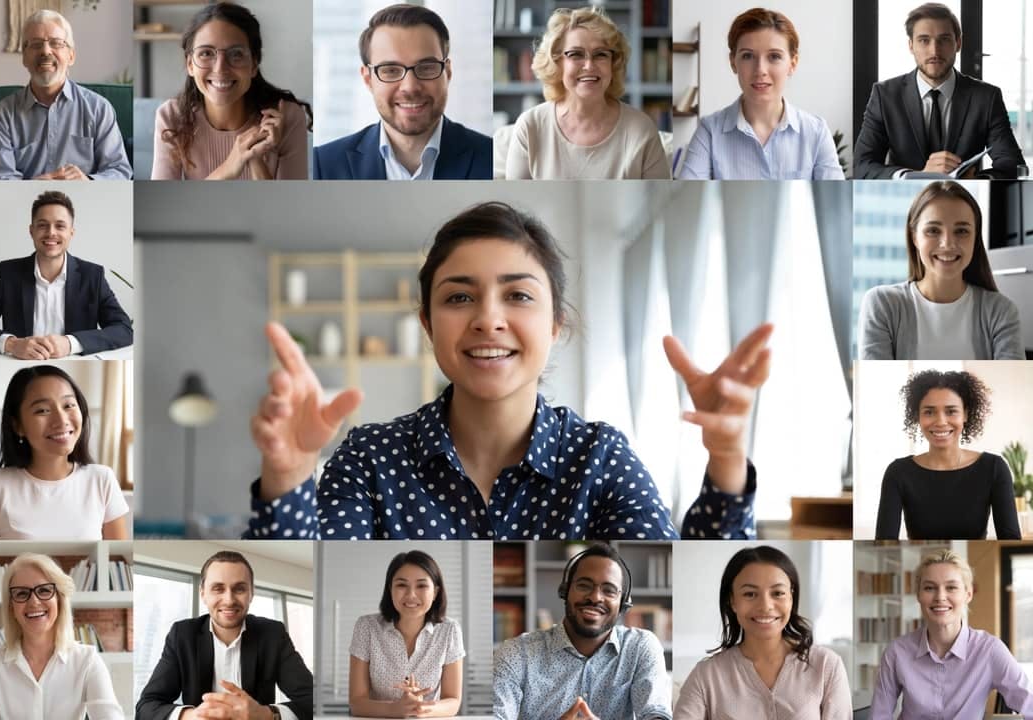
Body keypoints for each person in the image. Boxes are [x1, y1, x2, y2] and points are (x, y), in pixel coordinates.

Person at [245, 201, 772, 540]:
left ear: (556, 324)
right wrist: (288, 476)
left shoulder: (600, 458)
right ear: (428, 324)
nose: (488, 320)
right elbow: (322, 585)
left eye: (518, 295)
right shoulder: (369, 459)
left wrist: (726, 462)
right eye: (459, 297)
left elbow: (691, 588)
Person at [312, 4, 493, 180]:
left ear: (448, 72)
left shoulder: (490, 156)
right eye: (390, 70)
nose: (410, 87)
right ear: (368, 79)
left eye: (426, 68)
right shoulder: (322, 164)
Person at [493, 543, 670, 719]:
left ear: (623, 604)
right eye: (584, 585)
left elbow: (656, 714)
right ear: (565, 591)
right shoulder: (516, 654)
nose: (595, 597)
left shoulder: (640, 648)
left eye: (609, 591)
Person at [673, 546, 851, 720]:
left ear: (791, 597)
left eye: (778, 593)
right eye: (750, 594)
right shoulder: (706, 676)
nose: (765, 606)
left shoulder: (826, 666)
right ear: (732, 600)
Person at [136, 550, 315, 720]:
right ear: (203, 594)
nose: (229, 600)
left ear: (251, 594)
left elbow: (314, 700)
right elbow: (146, 706)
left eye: (239, 589)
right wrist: (192, 716)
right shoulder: (182, 635)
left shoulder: (273, 634)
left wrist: (266, 715)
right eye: (218, 588)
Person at [854, 3, 1025, 179]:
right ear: (911, 46)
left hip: (964, 201)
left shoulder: (986, 97)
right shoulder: (885, 96)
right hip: (904, 201)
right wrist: (913, 176)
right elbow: (862, 166)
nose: (934, 50)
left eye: (943, 39)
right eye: (924, 40)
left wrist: (975, 180)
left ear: (958, 43)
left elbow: (1013, 164)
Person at [0, 190, 134, 358]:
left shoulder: (92, 275)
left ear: (71, 233)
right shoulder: (9, 273)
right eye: (42, 225)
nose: (51, 232)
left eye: (60, 226)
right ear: (32, 231)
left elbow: (124, 329)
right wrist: (12, 344)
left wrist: (70, 343)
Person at [858, 181, 1022, 360]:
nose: (948, 243)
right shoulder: (882, 305)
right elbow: (876, 386)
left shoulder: (1001, 311)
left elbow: (1013, 386)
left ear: (975, 238)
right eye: (933, 230)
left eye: (961, 231)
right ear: (914, 238)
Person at [0, 365, 129, 540]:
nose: (61, 420)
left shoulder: (102, 479)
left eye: (68, 405)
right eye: (42, 410)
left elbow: (117, 562)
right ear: (17, 426)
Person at [505, 7, 670, 180]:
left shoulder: (642, 129)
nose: (589, 66)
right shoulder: (530, 127)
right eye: (576, 54)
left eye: (600, 54)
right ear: (557, 63)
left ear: (613, 64)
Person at [152, 3, 312, 180]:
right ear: (190, 64)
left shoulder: (287, 118)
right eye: (206, 53)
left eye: (236, 54)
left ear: (254, 64)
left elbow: (288, 207)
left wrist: (255, 158)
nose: (220, 68)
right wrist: (231, 165)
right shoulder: (172, 116)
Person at [680, 9, 842, 180]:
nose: (760, 70)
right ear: (733, 62)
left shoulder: (816, 132)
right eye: (748, 56)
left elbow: (837, 203)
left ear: (792, 64)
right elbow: (688, 200)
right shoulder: (710, 131)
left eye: (774, 56)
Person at [871, 549, 1033, 719]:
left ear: (968, 594)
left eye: (951, 587)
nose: (940, 597)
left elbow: (1029, 704)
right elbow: (878, 716)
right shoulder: (896, 651)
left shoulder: (990, 650)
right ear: (918, 595)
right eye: (929, 588)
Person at [0, 553, 123, 719]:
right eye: (22, 594)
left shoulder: (87, 661)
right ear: (11, 607)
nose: (34, 602)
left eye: (44, 590)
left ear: (59, 600)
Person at [0, 9, 131, 180]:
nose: (46, 51)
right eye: (36, 44)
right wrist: (33, 186)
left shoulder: (99, 109)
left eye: (56, 43)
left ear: (71, 56)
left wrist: (88, 182)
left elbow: (120, 171)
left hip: (85, 201)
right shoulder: (2, 114)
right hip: (25, 203)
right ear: (24, 57)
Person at [874, 370, 1021, 540]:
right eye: (929, 412)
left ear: (965, 414)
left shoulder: (994, 468)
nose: (941, 421)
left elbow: (1010, 540)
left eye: (951, 411)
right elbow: (884, 542)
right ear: (917, 416)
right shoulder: (898, 473)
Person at [349, 550, 463, 718]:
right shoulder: (366, 627)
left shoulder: (450, 630)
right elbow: (357, 703)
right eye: (402, 585)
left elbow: (453, 701)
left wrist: (420, 708)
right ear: (390, 589)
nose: (411, 595)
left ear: (436, 592)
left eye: (422, 586)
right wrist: (394, 709)